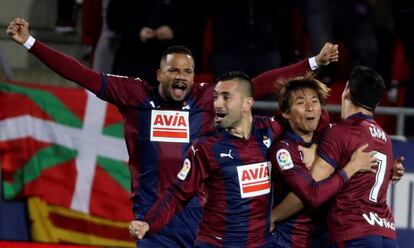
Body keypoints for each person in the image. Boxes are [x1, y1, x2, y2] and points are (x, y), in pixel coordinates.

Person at [6, 17, 338, 247]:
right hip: (154, 218)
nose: (182, 76)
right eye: (174, 70)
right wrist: (31, 43)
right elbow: (82, 75)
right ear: (159, 73)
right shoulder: (135, 95)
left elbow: (261, 83)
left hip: (200, 219)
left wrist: (312, 63)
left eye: (188, 71)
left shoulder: (205, 98)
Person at [128, 72, 374, 247]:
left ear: (247, 104)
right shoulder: (206, 148)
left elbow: (310, 117)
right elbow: (177, 194)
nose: (216, 104)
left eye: (225, 97)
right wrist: (148, 222)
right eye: (215, 97)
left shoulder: (270, 130)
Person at [273, 67, 400, 247]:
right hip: (386, 234)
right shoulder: (384, 138)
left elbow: (310, 191)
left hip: (354, 233)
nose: (310, 107)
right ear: (378, 101)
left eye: (314, 101)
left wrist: (274, 215)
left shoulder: (341, 132)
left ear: (346, 90)